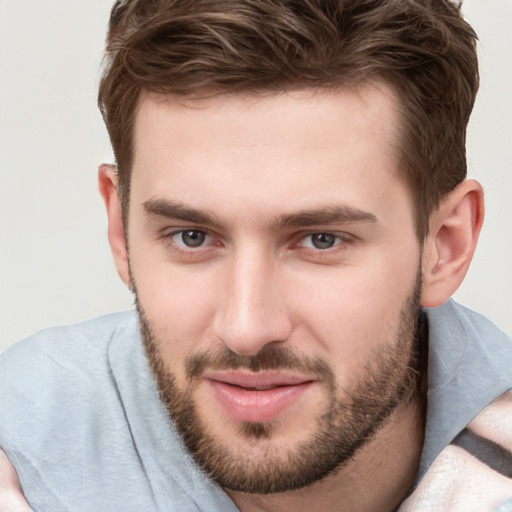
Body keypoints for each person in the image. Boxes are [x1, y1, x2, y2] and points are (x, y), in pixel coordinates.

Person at [1, 0, 511, 510]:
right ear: (121, 229)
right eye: (192, 236)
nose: (246, 328)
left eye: (320, 240)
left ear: (446, 246)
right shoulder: (20, 449)